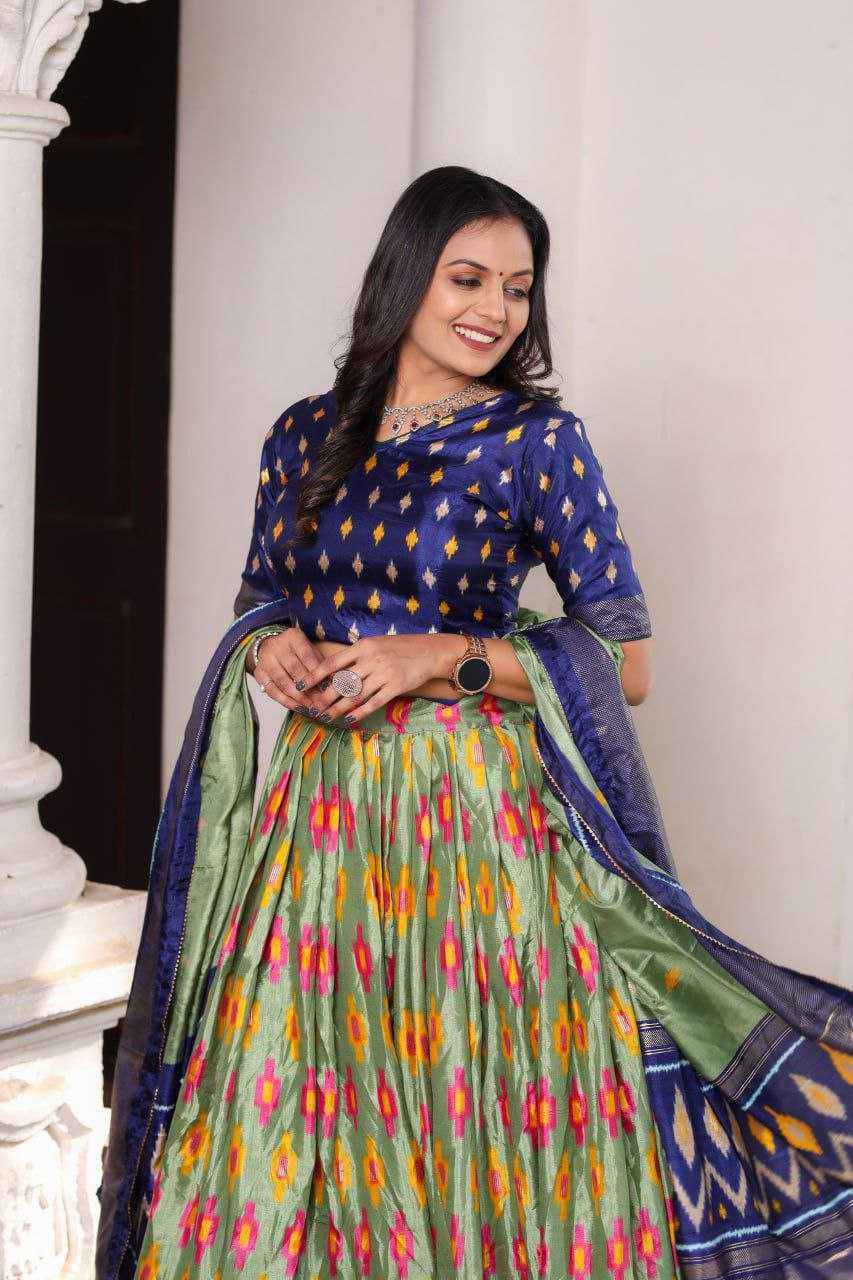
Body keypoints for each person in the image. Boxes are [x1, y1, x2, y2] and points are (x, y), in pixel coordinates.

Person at [96, 166, 853, 1280]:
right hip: (313, 826)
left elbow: (626, 660)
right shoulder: (303, 433)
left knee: (464, 1082)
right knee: (291, 1088)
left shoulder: (534, 440)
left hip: (472, 827)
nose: (494, 309)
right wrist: (269, 644)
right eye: (467, 278)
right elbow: (263, 593)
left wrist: (435, 657)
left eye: (517, 287)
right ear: (405, 275)